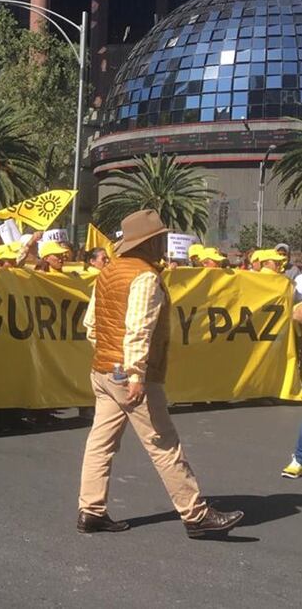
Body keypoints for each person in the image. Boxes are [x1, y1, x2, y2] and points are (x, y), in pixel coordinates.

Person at [77, 209, 243, 538]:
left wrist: (111, 360)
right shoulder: (145, 277)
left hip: (104, 370)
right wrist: (135, 373)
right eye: (160, 239)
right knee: (164, 443)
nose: (164, 244)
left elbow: (90, 326)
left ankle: (91, 510)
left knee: (100, 442)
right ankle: (195, 515)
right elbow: (138, 329)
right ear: (150, 242)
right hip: (131, 374)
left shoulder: (108, 272)